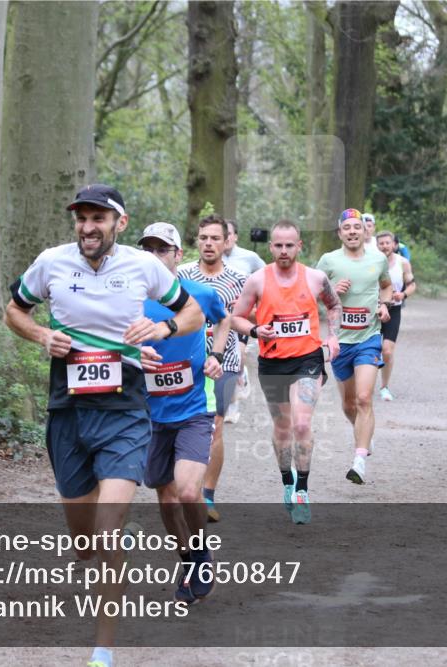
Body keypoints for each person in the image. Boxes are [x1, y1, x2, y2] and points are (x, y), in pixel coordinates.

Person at [4, 184, 204, 667]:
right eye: (81, 218)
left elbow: (192, 313)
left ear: (120, 221)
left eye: (98, 218)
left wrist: (161, 328)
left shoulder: (143, 265)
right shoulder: (51, 262)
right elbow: (14, 310)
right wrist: (41, 334)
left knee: (109, 531)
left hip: (126, 412)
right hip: (68, 413)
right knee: (84, 545)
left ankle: (103, 649)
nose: (88, 227)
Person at [136, 222, 230, 605]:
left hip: (194, 408)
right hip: (149, 415)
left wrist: (215, 354)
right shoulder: (129, 299)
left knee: (189, 491)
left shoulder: (199, 294)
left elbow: (223, 320)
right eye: (149, 250)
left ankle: (202, 553)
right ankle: (188, 558)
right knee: (167, 500)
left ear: (177, 255)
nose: (156, 256)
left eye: (163, 249)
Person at [230, 220, 342, 524]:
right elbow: (235, 318)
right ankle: (287, 482)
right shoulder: (257, 280)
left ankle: (303, 491)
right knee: (283, 428)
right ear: (270, 247)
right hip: (273, 363)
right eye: (278, 245)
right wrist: (255, 329)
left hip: (308, 359)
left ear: (299, 246)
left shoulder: (316, 278)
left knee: (302, 424)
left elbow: (334, 306)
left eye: (289, 245)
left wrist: (333, 336)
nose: (283, 251)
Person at [177, 214, 247, 522]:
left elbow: (243, 320)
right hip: (183, 362)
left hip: (224, 361)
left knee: (215, 426)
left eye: (215, 238)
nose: (208, 243)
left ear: (227, 241)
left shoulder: (238, 280)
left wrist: (243, 347)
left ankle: (207, 495)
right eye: (203, 237)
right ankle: (183, 488)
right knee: (181, 426)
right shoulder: (181, 275)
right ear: (197, 240)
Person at [316, 208, 392, 485]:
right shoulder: (328, 261)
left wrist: (384, 305)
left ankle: (359, 460)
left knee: (363, 398)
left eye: (356, 227)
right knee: (349, 404)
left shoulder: (378, 258)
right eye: (346, 228)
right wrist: (333, 289)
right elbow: (310, 294)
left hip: (368, 339)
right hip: (339, 342)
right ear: (339, 233)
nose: (352, 232)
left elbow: (385, 286)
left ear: (364, 231)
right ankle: (362, 432)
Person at [221, 218, 264, 423]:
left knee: (236, 358)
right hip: (216, 319)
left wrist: (257, 305)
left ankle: (233, 403)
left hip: (239, 317)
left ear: (235, 236)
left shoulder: (250, 257)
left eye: (229, 233)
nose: (226, 238)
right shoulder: (212, 256)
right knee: (220, 363)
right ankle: (229, 399)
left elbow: (268, 278)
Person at [375, 231, 417, 401]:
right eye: (381, 243)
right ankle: (365, 383)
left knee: (387, 350)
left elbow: (412, 285)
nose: (384, 246)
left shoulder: (403, 263)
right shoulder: (371, 262)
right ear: (377, 245)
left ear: (394, 245)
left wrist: (403, 295)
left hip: (394, 310)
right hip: (374, 311)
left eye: (387, 243)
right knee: (370, 351)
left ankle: (384, 387)